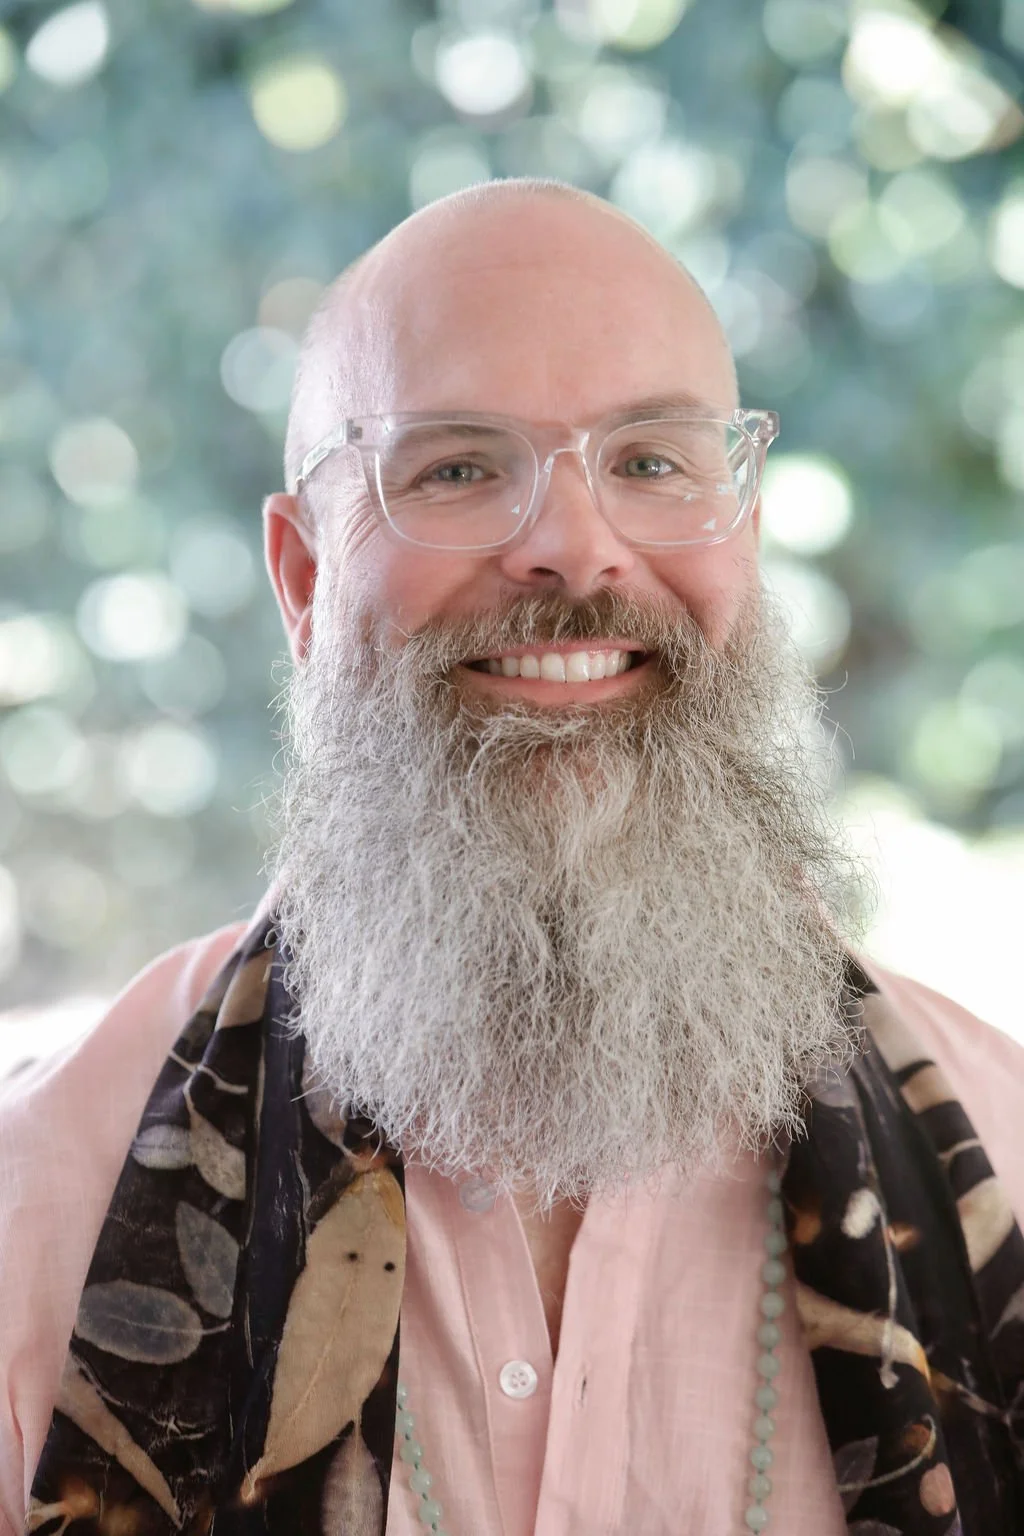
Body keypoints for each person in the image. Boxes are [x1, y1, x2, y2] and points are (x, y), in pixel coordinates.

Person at [2, 179, 1023, 1536]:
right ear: (305, 580)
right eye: (459, 466)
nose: (575, 547)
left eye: (655, 461)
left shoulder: (1009, 1156)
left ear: (749, 547)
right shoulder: (33, 1216)